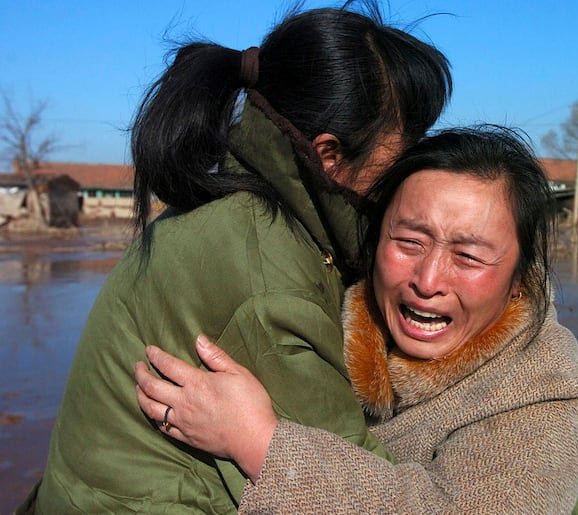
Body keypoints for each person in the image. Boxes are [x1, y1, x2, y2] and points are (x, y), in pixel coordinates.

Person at [18, 3, 452, 513]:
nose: (411, 175)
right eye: (401, 156)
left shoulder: (256, 210)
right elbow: (352, 487)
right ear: (330, 157)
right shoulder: (265, 274)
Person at [135, 127, 578, 513]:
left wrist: (260, 442)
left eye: (467, 256)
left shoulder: (548, 386)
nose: (427, 280)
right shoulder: (326, 307)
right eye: (409, 241)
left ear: (518, 281)